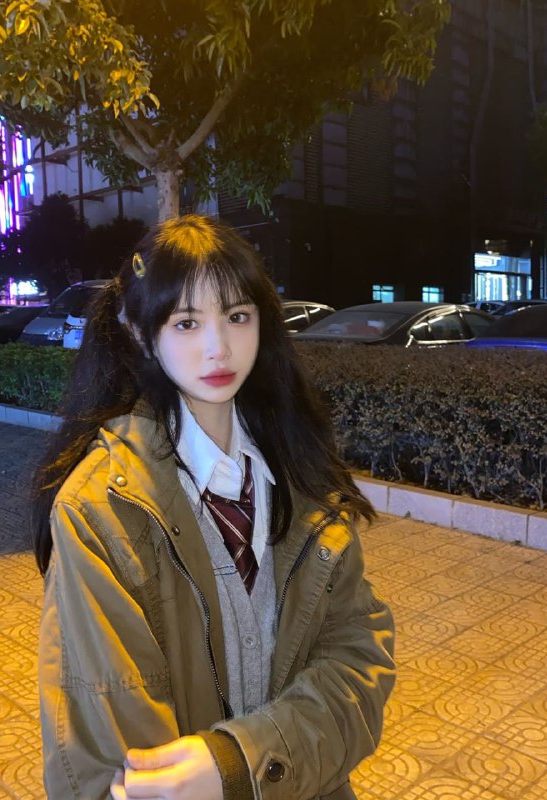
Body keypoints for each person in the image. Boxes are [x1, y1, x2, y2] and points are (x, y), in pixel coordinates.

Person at [32, 214, 396, 800]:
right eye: (186, 322)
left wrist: (236, 762)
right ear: (140, 333)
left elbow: (359, 655)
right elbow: (122, 763)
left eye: (237, 316)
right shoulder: (102, 511)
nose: (218, 347)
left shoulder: (301, 471)